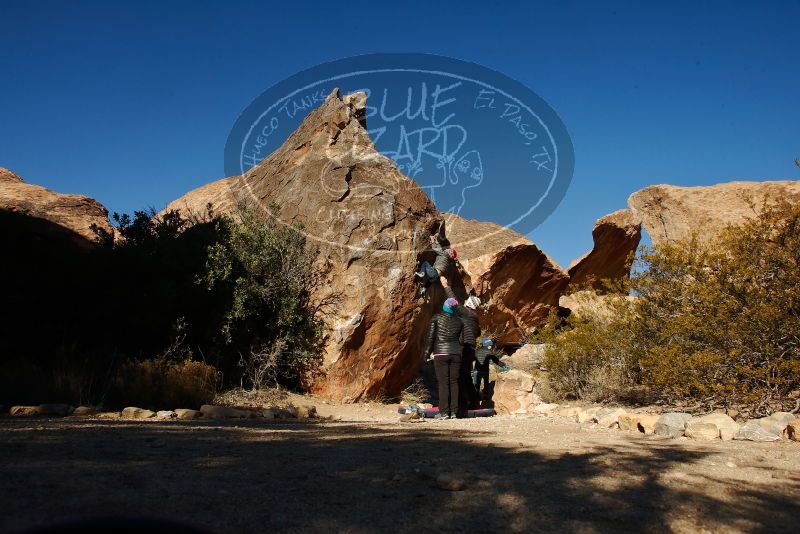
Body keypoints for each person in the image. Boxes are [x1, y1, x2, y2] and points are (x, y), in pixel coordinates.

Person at [423, 297, 465, 419]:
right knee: (454, 382)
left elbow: (431, 337)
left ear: (445, 306)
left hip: (441, 353)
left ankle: (444, 412)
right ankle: (454, 412)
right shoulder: (460, 321)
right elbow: (461, 341)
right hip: (456, 353)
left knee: (443, 383)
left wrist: (426, 353)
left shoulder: (436, 318)